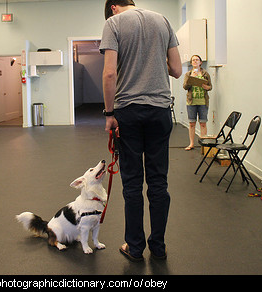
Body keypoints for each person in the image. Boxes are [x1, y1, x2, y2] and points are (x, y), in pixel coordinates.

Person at [100, 0, 182, 261]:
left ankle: (134, 248)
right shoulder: (163, 20)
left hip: (129, 113)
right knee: (159, 182)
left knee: (133, 184)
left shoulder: (113, 24)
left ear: (113, 6)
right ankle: (158, 247)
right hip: (159, 111)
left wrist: (109, 113)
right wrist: (156, 62)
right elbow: (178, 70)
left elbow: (109, 74)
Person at [183, 55, 212, 150]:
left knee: (203, 123)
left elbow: (210, 87)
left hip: (203, 101)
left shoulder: (205, 74)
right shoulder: (188, 74)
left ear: (200, 62)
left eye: (197, 60)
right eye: (193, 60)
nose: (195, 61)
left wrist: (207, 87)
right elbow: (185, 87)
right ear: (191, 63)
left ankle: (204, 145)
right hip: (191, 102)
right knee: (192, 123)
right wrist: (191, 78)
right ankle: (191, 143)